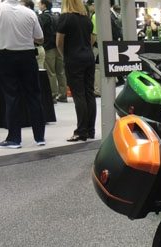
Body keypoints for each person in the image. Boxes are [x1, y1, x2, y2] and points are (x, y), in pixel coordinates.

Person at [0, 0, 46, 149]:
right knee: (34, 96)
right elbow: (40, 38)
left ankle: (14, 139)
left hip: (5, 56)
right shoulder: (29, 12)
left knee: (11, 97)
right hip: (27, 56)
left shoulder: (0, 9)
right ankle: (40, 137)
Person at [57, 0, 95, 142]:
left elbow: (59, 42)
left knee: (79, 95)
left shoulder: (65, 18)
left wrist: (65, 55)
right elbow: (91, 38)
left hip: (74, 59)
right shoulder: (86, 19)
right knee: (89, 93)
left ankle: (81, 131)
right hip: (88, 57)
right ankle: (90, 130)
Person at [39, 0, 68, 103]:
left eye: (40, 4)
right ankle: (63, 95)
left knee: (51, 72)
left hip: (48, 47)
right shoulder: (57, 16)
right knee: (61, 72)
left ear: (44, 5)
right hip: (59, 47)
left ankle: (52, 95)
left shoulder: (42, 17)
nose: (39, 5)